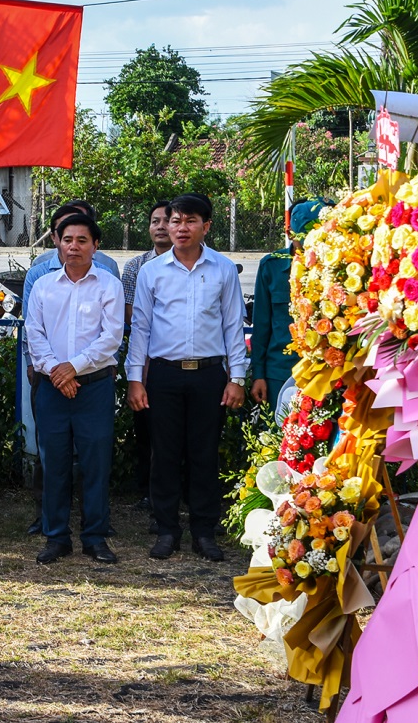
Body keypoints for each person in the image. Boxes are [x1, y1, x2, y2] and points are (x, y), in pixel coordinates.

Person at [126, 193, 247, 562]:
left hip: (209, 375)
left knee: (203, 453)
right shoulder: (152, 272)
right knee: (163, 454)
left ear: (206, 226)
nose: (180, 228)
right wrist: (135, 379)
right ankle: (166, 530)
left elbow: (232, 326)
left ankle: (204, 532)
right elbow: (140, 329)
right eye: (175, 221)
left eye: (190, 221)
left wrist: (236, 378)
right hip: (163, 375)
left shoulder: (223, 270)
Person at [26, 214, 124, 565]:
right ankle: (56, 538)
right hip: (52, 387)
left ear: (95, 245)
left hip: (93, 387)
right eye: (68, 239)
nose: (74, 246)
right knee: (54, 462)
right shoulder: (43, 286)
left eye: (82, 240)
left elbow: (111, 337)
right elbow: (33, 334)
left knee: (95, 463)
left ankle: (95, 537)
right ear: (57, 242)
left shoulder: (109, 285)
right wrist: (57, 371)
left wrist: (73, 368)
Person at [121, 200, 172, 508]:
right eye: (155, 221)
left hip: (179, 359)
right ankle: (148, 490)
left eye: (167, 220)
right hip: (146, 359)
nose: (161, 226)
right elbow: (131, 316)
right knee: (147, 428)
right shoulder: (136, 267)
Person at [250, 199, 325, 406]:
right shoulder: (271, 266)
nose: (313, 246)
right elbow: (261, 326)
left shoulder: (338, 266)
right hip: (280, 371)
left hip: (327, 371)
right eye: (306, 238)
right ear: (291, 234)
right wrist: (258, 375)